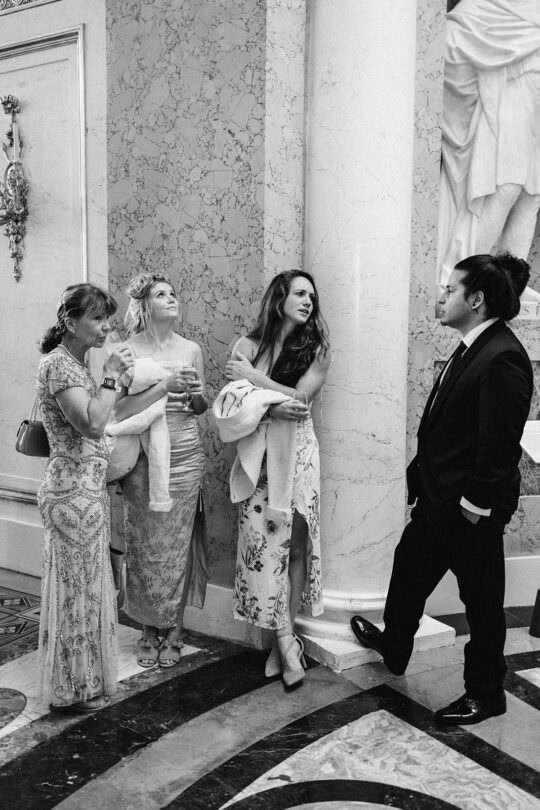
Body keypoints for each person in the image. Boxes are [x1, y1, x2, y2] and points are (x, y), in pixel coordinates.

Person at [351, 253, 533, 725]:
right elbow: (447, 426)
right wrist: (420, 478)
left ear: (476, 299)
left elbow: (498, 447)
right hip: (438, 501)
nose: (441, 296)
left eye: (450, 289)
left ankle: (486, 693)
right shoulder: (473, 346)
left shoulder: (503, 356)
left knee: (482, 605)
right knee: (407, 572)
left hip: (467, 511)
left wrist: (473, 509)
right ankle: (395, 646)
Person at [225, 270, 331, 686]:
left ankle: (282, 642)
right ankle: (286, 642)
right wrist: (271, 405)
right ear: (279, 298)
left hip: (300, 455)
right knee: (267, 547)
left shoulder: (317, 350)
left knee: (297, 546)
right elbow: (232, 407)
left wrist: (257, 381)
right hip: (260, 457)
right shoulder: (247, 346)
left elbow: (302, 400)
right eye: (300, 293)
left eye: (312, 296)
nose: (308, 301)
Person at [37, 284, 134, 713]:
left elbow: (103, 415)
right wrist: (110, 375)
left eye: (107, 317)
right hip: (70, 496)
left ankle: (85, 683)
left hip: (87, 492)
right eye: (97, 318)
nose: (106, 326)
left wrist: (117, 383)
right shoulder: (58, 365)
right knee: (75, 593)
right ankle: (70, 690)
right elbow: (92, 424)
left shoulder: (76, 364)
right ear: (70, 321)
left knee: (88, 591)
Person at [113, 272, 208, 669]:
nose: (171, 299)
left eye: (173, 293)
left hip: (185, 454)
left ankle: (174, 631)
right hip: (143, 457)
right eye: (161, 294)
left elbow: (200, 408)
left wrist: (197, 396)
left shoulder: (191, 349)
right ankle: (148, 629)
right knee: (144, 545)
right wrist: (165, 386)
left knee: (177, 546)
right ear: (144, 305)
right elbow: (119, 410)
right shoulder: (127, 350)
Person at [438, 0, 540, 298]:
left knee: (531, 196)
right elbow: (452, 38)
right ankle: (470, 278)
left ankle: (511, 284)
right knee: (506, 188)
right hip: (508, 96)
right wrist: (489, 54)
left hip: (535, 105)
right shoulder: (488, 6)